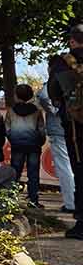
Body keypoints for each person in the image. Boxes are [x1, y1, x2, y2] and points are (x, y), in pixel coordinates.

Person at [48, 24, 83, 240]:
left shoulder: (64, 62)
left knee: (80, 170)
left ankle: (82, 224)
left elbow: (53, 90)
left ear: (72, 41)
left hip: (75, 127)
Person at [40, 61, 75, 215]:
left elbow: (43, 96)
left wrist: (55, 110)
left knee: (64, 167)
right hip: (74, 127)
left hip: (58, 128)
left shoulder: (53, 81)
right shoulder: (74, 78)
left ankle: (71, 203)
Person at [4, 83, 46, 207]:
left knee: (15, 172)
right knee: (33, 173)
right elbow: (41, 130)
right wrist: (40, 141)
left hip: (17, 145)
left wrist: (13, 140)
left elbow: (7, 130)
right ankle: (33, 200)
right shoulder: (37, 112)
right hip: (34, 146)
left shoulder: (11, 111)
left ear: (16, 96)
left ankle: (12, 200)